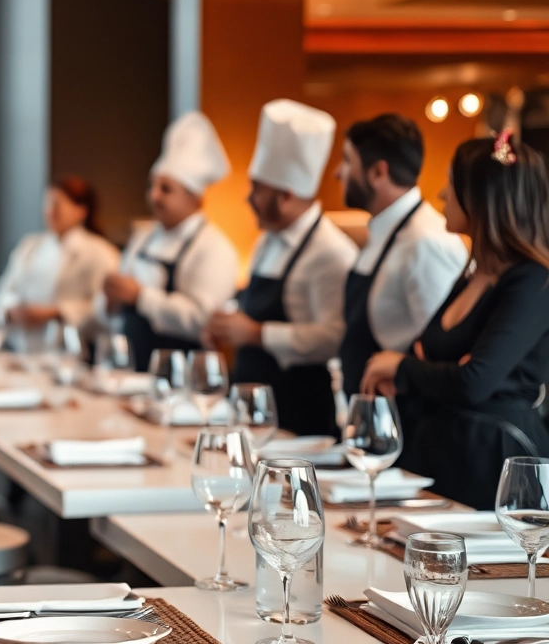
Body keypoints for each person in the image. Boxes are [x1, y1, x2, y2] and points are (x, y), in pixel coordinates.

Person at [362, 132, 549, 509]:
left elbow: (473, 382)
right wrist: (436, 370)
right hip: (444, 456)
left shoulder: (533, 281)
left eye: (451, 183)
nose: (442, 195)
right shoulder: (472, 273)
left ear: (480, 198)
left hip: (497, 465)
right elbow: (433, 356)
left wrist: (404, 366)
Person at [206, 99, 358, 438]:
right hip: (250, 410)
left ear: (285, 196)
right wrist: (226, 323)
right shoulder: (266, 241)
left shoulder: (330, 252)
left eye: (257, 190)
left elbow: (334, 337)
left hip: (299, 415)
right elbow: (250, 307)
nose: (248, 199)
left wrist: (256, 334)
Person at [333, 114, 467, 400]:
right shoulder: (384, 231)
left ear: (378, 172)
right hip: (371, 412)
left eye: (347, 161)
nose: (337, 172)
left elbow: (445, 351)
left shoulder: (425, 242)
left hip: (408, 423)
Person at [100, 112, 239, 371]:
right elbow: (109, 313)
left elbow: (202, 320)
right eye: (151, 186)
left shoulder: (215, 249)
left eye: (165, 189)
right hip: (132, 372)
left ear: (195, 197)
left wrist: (141, 296)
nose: (154, 196)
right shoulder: (143, 238)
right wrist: (109, 299)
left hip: (185, 377)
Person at [0, 176, 121, 346]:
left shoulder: (100, 252)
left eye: (57, 204)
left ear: (81, 211)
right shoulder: (30, 246)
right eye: (47, 204)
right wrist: (13, 310)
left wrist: (57, 312)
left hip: (72, 350)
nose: (49, 211)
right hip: (21, 345)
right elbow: (4, 291)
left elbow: (105, 308)